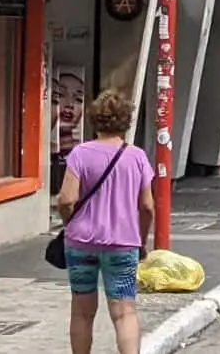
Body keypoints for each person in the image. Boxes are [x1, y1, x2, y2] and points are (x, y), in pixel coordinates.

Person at [57, 89, 156, 354]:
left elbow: (65, 200)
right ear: (126, 121)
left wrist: (71, 224)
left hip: (81, 243)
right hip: (123, 243)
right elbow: (147, 206)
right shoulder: (136, 157)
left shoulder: (79, 154)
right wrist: (142, 240)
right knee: (124, 312)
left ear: (95, 119)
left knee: (81, 310)